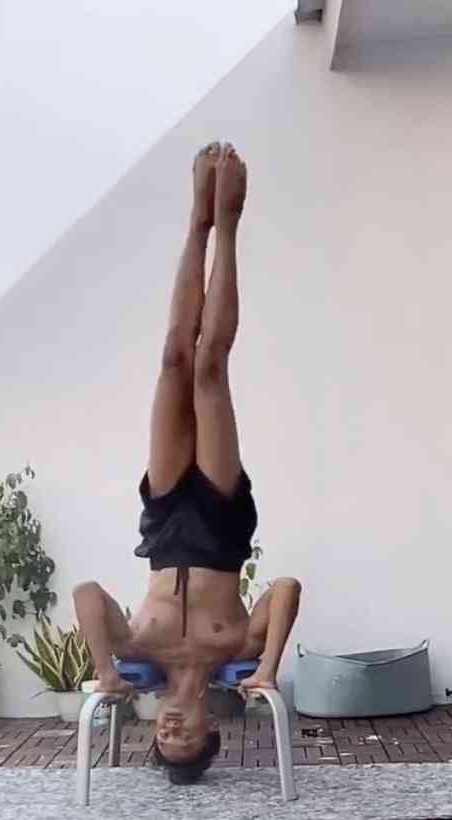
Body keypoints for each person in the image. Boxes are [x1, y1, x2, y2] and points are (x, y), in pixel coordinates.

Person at [73, 142, 302, 785]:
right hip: (221, 528)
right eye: (187, 740)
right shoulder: (236, 651)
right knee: (208, 369)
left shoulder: (137, 654)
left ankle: (196, 220)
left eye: (163, 740)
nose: (171, 731)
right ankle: (227, 223)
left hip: (166, 522)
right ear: (211, 731)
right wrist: (268, 668)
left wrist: (107, 671)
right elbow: (285, 588)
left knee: (174, 358)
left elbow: (87, 594)